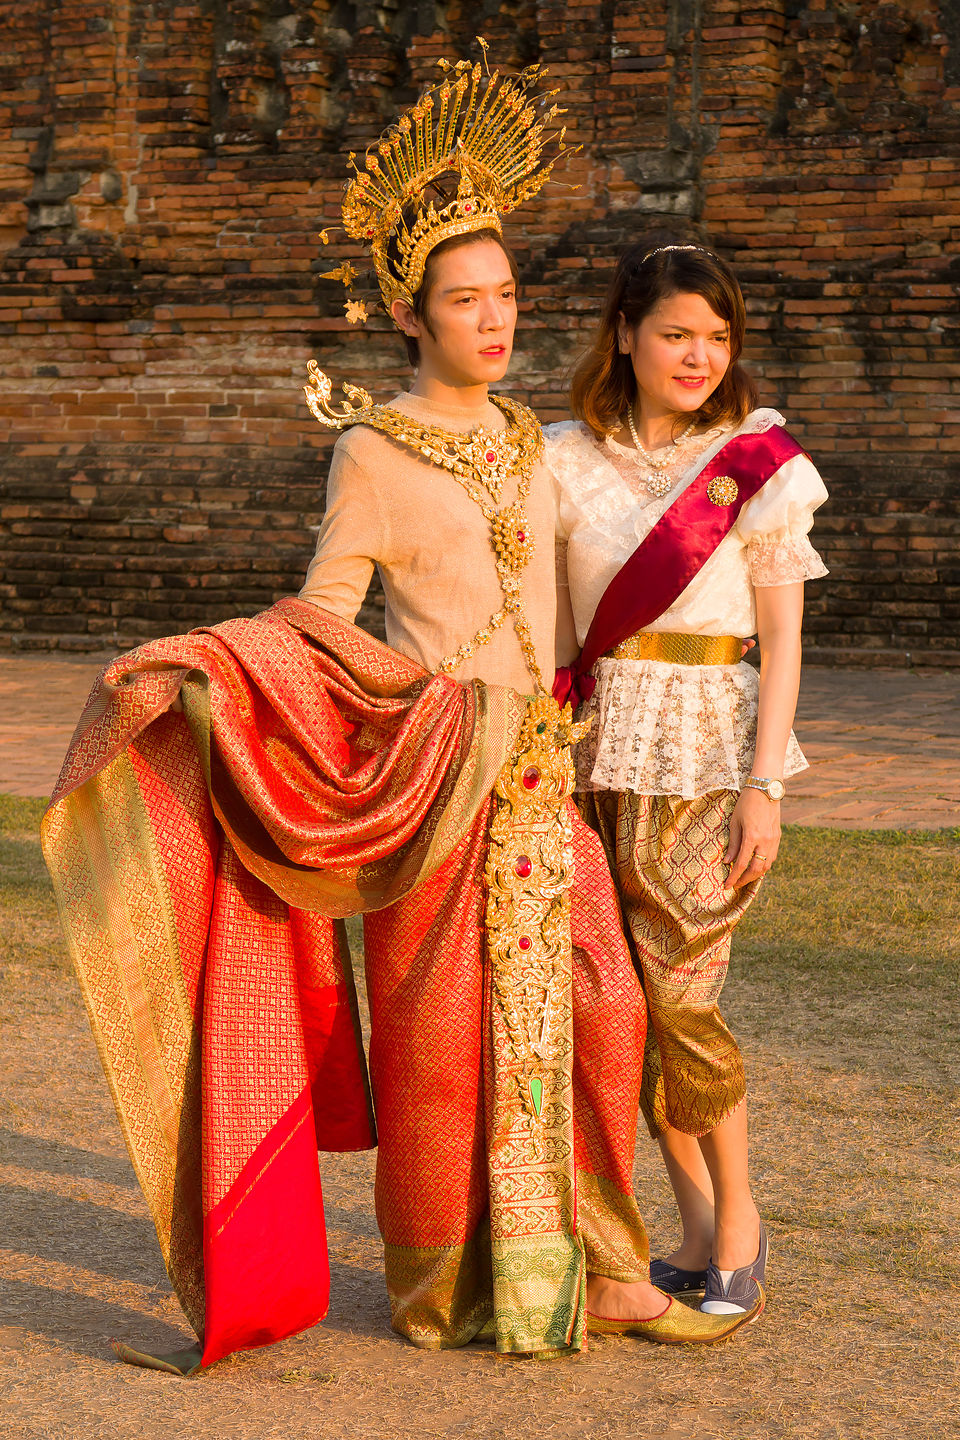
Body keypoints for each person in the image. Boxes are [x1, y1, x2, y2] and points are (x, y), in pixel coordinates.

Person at [41, 62, 758, 1375]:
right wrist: (217, 670)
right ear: (406, 315)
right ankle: (445, 1280)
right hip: (434, 788)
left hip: (543, 780)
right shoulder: (368, 452)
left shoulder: (542, 444)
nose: (494, 321)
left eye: (506, 297)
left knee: (603, 1015)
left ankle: (594, 1264)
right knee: (442, 1049)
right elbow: (325, 611)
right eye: (465, 302)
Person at [548, 241, 829, 1317]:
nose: (699, 355)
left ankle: (743, 1220)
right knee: (619, 1003)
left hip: (709, 755)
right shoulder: (562, 457)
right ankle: (695, 1226)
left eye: (717, 338)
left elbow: (784, 642)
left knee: (685, 993)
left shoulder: (756, 460)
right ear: (624, 334)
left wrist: (769, 786)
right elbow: (557, 623)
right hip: (587, 754)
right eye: (677, 333)